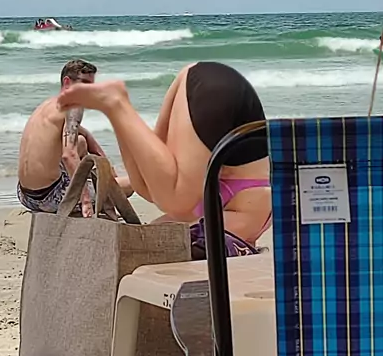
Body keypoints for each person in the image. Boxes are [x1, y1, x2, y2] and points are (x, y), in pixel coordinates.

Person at [55, 62, 271, 245]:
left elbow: (158, 232)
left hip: (196, 77)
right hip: (219, 91)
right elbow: (190, 240)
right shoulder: (245, 225)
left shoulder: (225, 213)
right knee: (177, 200)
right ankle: (116, 104)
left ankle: (117, 112)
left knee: (146, 186)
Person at [17, 59, 132, 216]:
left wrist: (108, 168)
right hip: (49, 198)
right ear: (67, 82)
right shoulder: (73, 105)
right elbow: (68, 155)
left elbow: (84, 135)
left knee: (81, 142)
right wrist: (85, 200)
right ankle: (90, 190)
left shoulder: (47, 105)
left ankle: (96, 181)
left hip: (25, 196)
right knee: (129, 185)